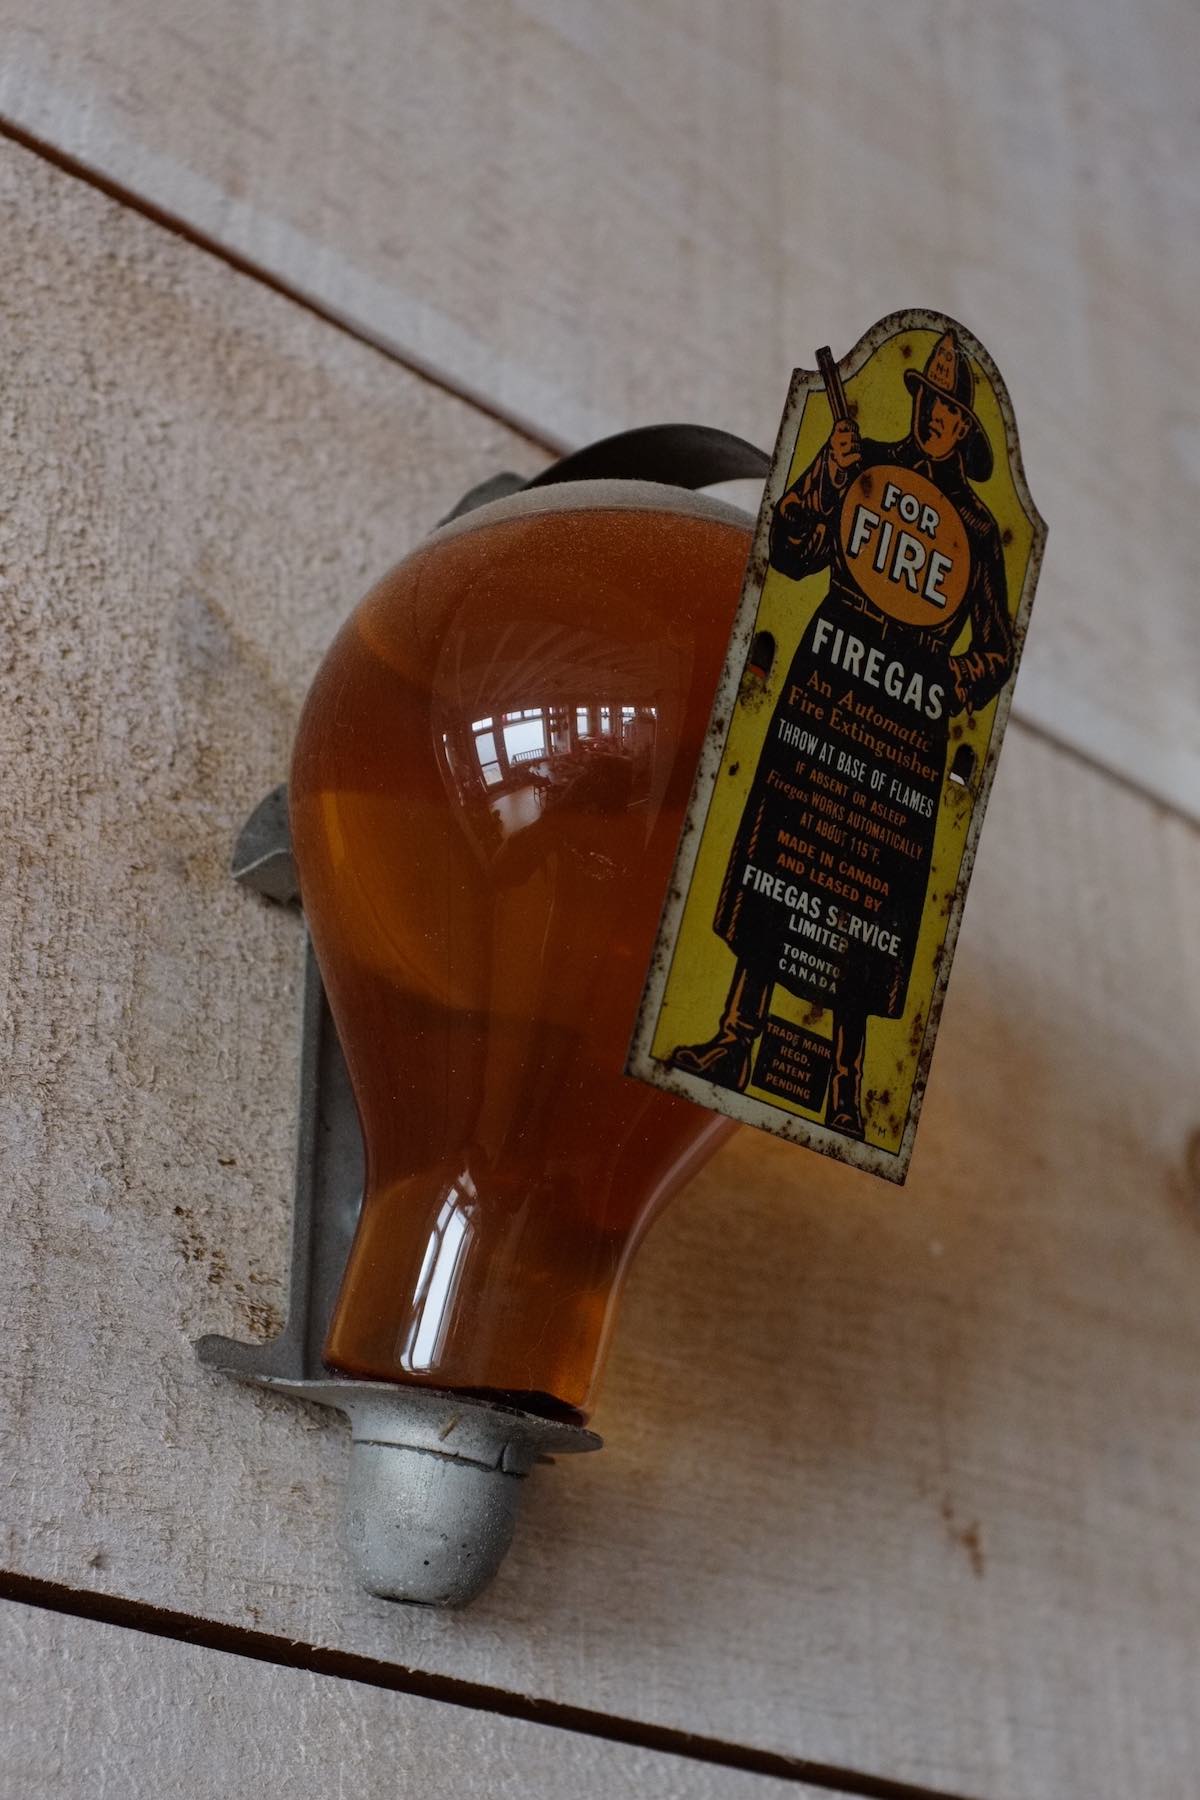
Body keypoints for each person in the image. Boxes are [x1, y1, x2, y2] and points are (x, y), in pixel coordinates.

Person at [669, 332, 1013, 1138]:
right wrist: (827, 470)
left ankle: (848, 1092)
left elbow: (993, 648)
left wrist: (941, 684)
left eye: (952, 412)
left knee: (876, 905)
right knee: (777, 855)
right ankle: (734, 1038)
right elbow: (792, 552)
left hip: (906, 725)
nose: (937, 419)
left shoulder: (981, 530)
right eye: (931, 402)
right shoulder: (861, 463)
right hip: (828, 676)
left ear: (966, 430)